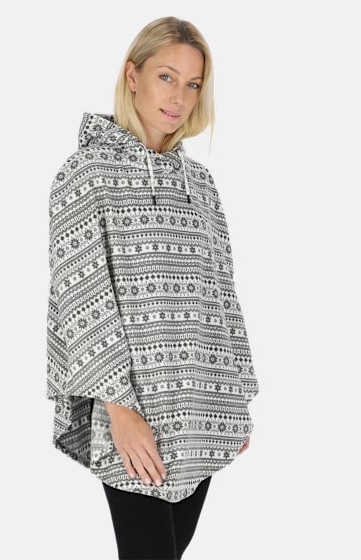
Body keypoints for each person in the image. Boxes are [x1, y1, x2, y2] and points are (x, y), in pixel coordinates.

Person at [46, 16, 259, 559]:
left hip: (203, 405)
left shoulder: (201, 185)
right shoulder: (84, 173)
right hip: (134, 410)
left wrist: (236, 393)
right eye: (167, 76)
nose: (179, 97)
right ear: (132, 75)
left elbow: (223, 294)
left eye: (193, 84)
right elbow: (81, 298)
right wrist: (119, 410)